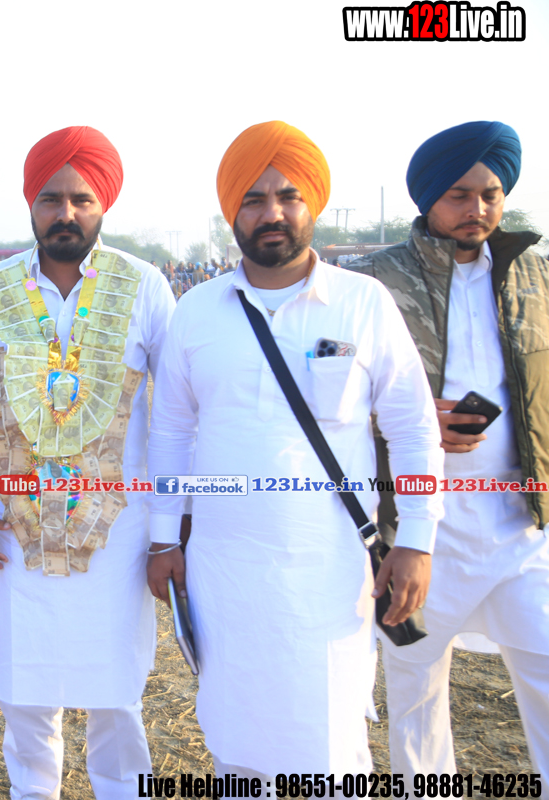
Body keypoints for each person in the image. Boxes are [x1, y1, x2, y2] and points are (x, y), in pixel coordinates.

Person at [145, 120, 444, 777]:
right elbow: (169, 433)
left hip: (329, 569)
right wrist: (164, 539)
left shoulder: (362, 303)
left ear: (313, 206)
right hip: (225, 570)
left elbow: (413, 426)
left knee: (333, 749)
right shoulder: (197, 310)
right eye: (253, 199)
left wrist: (418, 539)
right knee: (236, 744)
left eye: (288, 196)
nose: (272, 213)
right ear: (232, 213)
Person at [0, 127, 174, 798]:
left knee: (116, 693)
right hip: (15, 526)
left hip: (116, 529)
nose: (65, 213)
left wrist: (171, 523)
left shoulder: (144, 286)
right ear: (31, 205)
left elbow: (179, 406)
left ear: (103, 206)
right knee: (26, 691)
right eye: (50, 199)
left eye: (80, 199)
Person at [349, 121, 549, 776]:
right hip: (413, 530)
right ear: (429, 198)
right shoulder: (370, 283)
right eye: (460, 195)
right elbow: (327, 390)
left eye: (491, 194)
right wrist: (403, 419)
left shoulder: (536, 276)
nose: (478, 209)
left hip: (522, 527)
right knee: (416, 695)